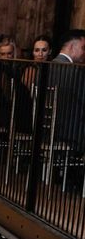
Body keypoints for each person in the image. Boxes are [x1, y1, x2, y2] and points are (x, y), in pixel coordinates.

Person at [50, 29, 85, 158]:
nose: (84, 53)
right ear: (71, 47)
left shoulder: (46, 67)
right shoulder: (75, 72)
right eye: (83, 48)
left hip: (47, 131)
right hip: (71, 134)